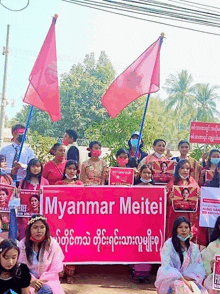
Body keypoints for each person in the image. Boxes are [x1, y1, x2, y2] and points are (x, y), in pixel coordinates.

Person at [155, 216, 208, 294]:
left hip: (190, 280)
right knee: (180, 286)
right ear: (176, 229)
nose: (183, 230)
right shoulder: (168, 245)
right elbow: (166, 266)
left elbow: (198, 267)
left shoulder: (194, 248)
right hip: (171, 280)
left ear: (190, 230)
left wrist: (189, 279)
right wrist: (181, 278)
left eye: (186, 227)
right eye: (180, 227)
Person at [18, 214, 65, 294]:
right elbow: (20, 267)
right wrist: (31, 280)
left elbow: (55, 269)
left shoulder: (52, 244)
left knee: (45, 290)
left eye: (42, 227)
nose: (39, 231)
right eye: (35, 227)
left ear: (46, 229)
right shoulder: (22, 245)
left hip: (48, 281)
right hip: (28, 280)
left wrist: (39, 282)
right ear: (29, 229)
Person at [166, 159, 207, 246]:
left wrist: (199, 198)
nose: (185, 170)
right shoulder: (172, 182)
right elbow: (165, 201)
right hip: (175, 215)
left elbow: (199, 200)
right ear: (178, 169)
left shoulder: (193, 182)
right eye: (183, 168)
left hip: (190, 216)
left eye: (187, 168)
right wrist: (169, 198)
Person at [202, 216, 220, 294]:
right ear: (219, 226)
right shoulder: (212, 246)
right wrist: (212, 267)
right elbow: (205, 267)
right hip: (215, 280)